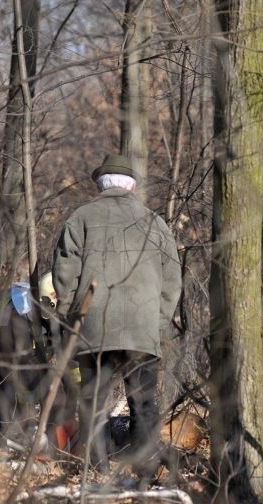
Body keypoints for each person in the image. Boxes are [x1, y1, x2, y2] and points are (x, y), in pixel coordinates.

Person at [52, 154, 182, 482]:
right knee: (144, 405)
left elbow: (64, 276)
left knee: (93, 403)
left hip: (93, 328)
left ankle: (98, 472)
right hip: (142, 331)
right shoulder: (155, 223)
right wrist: (156, 322)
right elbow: (172, 282)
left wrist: (71, 319)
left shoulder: (80, 218)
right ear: (132, 187)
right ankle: (144, 475)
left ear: (100, 185)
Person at [0, 273, 80, 457]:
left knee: (53, 390)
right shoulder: (14, 322)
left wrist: (74, 405)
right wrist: (32, 430)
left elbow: (71, 361)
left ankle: (56, 451)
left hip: (12, 354)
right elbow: (21, 383)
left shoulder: (57, 314)